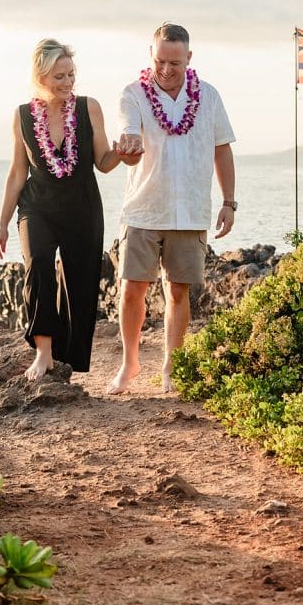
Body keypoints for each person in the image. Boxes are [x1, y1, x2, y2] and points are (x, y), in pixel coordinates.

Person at [0, 38, 138, 380]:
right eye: (59, 76)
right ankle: (43, 352)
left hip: (82, 206)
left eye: (71, 74)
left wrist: (123, 155)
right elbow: (17, 172)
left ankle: (67, 363)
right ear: (41, 77)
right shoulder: (22, 116)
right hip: (36, 206)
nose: (68, 82)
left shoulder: (89, 108)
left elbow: (103, 161)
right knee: (39, 264)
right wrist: (1, 224)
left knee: (81, 281)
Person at [107, 23, 237, 395]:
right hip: (143, 210)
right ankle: (129, 363)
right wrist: (129, 145)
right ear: (151, 56)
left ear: (189, 59)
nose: (166, 70)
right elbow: (129, 133)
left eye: (175, 63)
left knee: (179, 292)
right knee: (132, 288)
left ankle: (171, 367)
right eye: (160, 61)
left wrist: (229, 202)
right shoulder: (132, 95)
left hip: (190, 210)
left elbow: (222, 149)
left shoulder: (209, 97)